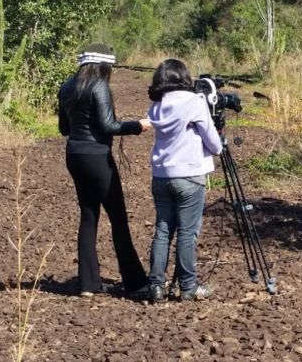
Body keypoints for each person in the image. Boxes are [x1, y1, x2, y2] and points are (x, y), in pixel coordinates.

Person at [58, 43, 151, 298]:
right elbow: (109, 125)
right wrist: (138, 125)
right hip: (97, 157)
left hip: (74, 155)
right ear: (103, 65)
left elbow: (64, 129)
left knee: (89, 216)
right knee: (118, 218)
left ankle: (87, 284)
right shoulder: (99, 86)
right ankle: (135, 282)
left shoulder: (67, 86)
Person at [146, 58, 222, 303]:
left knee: (163, 230)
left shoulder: (157, 106)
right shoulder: (194, 102)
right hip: (189, 175)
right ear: (184, 78)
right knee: (187, 233)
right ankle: (188, 286)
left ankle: (156, 285)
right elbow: (214, 144)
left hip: (161, 175)